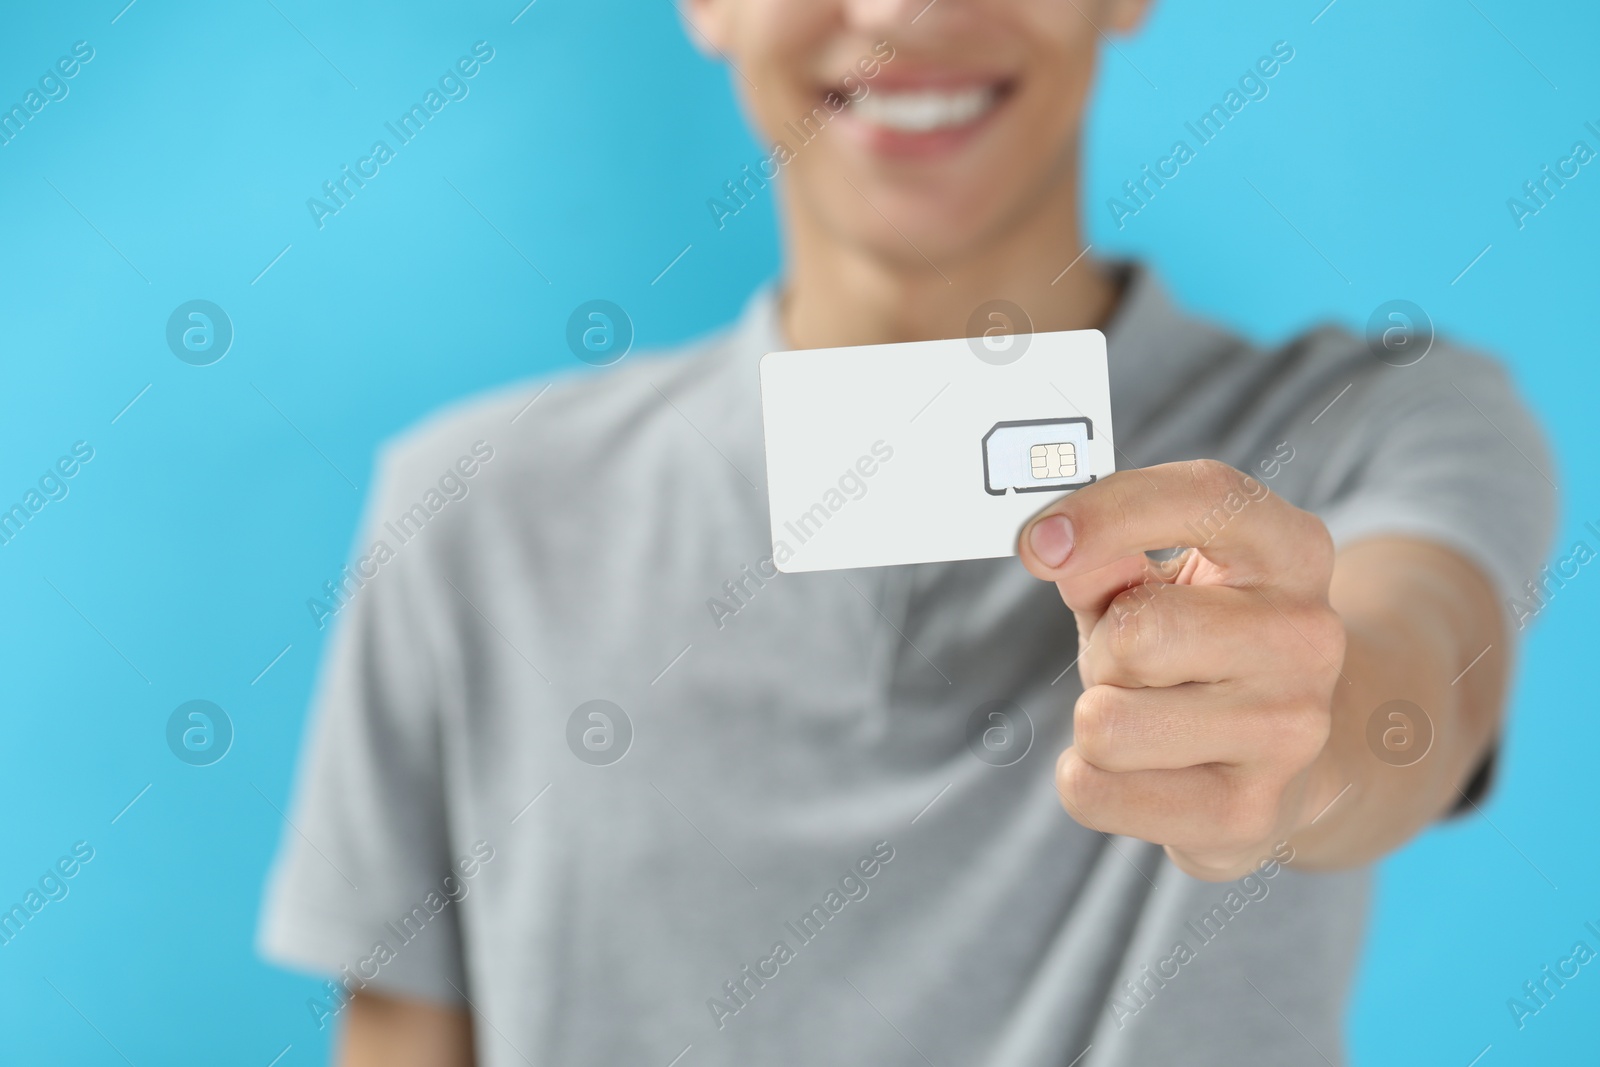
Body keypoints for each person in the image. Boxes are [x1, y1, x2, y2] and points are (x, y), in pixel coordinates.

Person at [259, 0, 1555, 1063]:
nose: (901, 13)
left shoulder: (1379, 425)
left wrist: (1305, 732)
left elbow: (1411, 672)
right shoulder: (465, 511)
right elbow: (403, 1030)